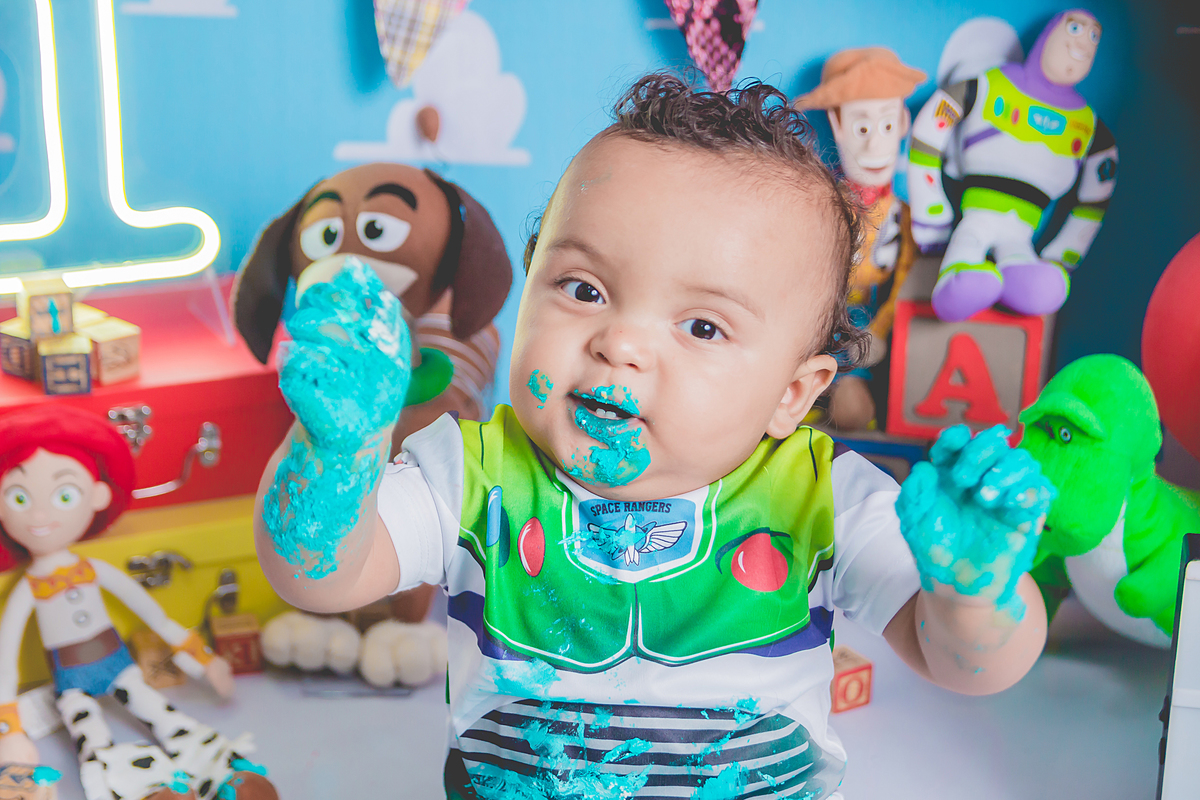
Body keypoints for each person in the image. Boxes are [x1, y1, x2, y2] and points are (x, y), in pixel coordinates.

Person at [255, 74, 1053, 799]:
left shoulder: (826, 496)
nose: (620, 343)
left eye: (702, 326)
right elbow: (318, 578)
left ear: (792, 393)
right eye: (583, 289)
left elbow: (966, 666)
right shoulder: (468, 472)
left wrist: (975, 589)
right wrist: (336, 454)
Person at [0, 406, 276, 800]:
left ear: (98, 495)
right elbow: (6, 659)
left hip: (119, 663)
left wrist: (199, 655)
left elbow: (154, 615)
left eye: (64, 495)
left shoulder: (94, 570)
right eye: (18, 497)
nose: (41, 513)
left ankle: (221, 771)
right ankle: (145, 787)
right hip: (70, 681)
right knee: (91, 736)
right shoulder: (29, 588)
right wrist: (9, 726)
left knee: (161, 711)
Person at [793, 47, 924, 430]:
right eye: (862, 129)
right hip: (811, 326)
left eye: (887, 126)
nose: (874, 145)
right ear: (836, 125)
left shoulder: (903, 215)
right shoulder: (820, 204)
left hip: (861, 331)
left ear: (903, 122)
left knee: (853, 411)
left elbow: (905, 281)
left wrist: (878, 332)